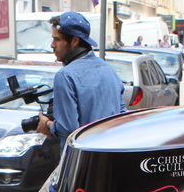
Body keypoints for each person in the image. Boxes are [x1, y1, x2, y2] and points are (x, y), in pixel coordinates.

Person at [35, 12, 125, 147]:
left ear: (75, 41)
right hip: (111, 153)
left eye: (57, 39)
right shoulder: (109, 70)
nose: (52, 45)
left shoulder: (65, 76)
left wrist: (47, 124)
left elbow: (68, 128)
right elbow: (122, 116)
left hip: (84, 156)